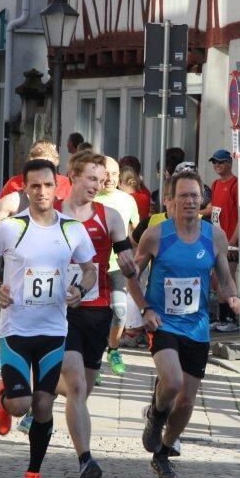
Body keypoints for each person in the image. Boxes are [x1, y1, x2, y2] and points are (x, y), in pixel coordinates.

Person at [0, 158, 96, 478]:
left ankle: (34, 475)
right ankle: (4, 394)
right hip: (15, 329)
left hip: (54, 330)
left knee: (43, 407)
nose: (41, 192)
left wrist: (80, 290)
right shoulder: (12, 227)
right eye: (35, 186)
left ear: (58, 189)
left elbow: (90, 269)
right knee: (20, 405)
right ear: (25, 189)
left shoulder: (72, 229)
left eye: (47, 185)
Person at [134, 168, 240, 478]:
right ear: (170, 201)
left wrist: (233, 298)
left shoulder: (215, 236)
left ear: (202, 199)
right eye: (183, 195)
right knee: (172, 381)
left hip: (197, 327)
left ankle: (163, 453)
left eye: (195, 195)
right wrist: (144, 308)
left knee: (187, 402)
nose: (190, 201)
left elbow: (223, 278)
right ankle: (155, 415)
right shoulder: (156, 235)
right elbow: (133, 274)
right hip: (163, 322)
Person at [54, 153, 139, 478]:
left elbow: (126, 256)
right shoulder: (54, 212)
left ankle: (39, 389)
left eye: (101, 180)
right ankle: (85, 459)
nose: (97, 185)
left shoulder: (111, 216)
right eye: (91, 178)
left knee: (83, 388)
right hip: (59, 309)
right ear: (73, 176)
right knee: (76, 384)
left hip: (97, 309)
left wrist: (132, 268)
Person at [95, 155, 141, 374]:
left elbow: (137, 232)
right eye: (106, 174)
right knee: (94, 317)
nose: (110, 179)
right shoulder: (90, 197)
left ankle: (113, 350)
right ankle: (92, 363)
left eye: (114, 174)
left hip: (117, 267)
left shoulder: (127, 200)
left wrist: (139, 257)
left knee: (120, 311)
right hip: (92, 267)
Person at [208, 149, 240, 332]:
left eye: (221, 162)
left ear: (230, 164)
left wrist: (233, 241)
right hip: (215, 240)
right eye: (215, 162)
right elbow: (213, 209)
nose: (217, 165)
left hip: (230, 242)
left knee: (228, 278)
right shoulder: (215, 184)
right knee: (217, 279)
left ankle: (232, 318)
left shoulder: (237, 186)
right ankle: (222, 316)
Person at [0, 140, 72, 201]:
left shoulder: (67, 184)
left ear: (56, 163)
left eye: (48, 165)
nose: (42, 170)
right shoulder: (14, 183)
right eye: (38, 164)